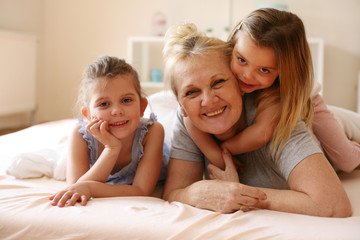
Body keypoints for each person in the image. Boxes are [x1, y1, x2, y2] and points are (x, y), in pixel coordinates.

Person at [162, 22, 351, 217]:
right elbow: (174, 192)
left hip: (329, 121)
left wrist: (238, 194)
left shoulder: (275, 116)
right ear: (181, 104)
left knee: (348, 155)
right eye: (192, 92)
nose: (208, 101)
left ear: (239, 83)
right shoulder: (188, 119)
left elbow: (334, 204)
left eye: (218, 82)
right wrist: (195, 192)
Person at [184, 8, 360, 172]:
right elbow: (187, 117)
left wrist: (225, 150)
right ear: (233, 47)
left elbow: (262, 133)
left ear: (284, 72)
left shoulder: (279, 94)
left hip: (307, 102)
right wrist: (214, 155)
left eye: (264, 70)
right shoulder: (223, 64)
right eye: (242, 60)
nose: (247, 76)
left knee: (346, 161)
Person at [50, 56, 169, 207]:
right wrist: (112, 149)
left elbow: (141, 190)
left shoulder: (153, 132)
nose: (117, 111)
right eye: (104, 104)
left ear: (142, 107)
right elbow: (75, 188)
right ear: (87, 115)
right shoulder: (79, 136)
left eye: (126, 100)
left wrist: (91, 188)